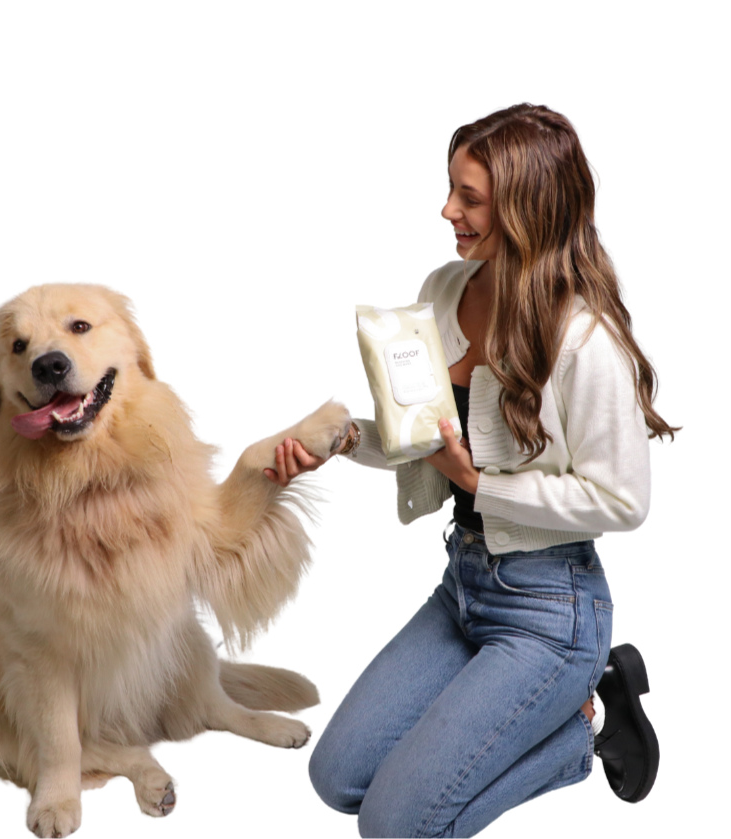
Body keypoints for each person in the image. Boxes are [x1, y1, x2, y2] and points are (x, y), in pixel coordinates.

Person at [264, 103, 673, 837]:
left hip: (551, 610)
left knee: (393, 826)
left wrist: (480, 484)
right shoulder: (445, 288)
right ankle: (551, 719)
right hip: (465, 584)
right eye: (450, 188)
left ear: (524, 207)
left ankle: (582, 735)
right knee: (338, 778)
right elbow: (420, 435)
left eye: (469, 197)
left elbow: (623, 499)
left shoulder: (584, 338)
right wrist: (340, 438)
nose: (446, 208)